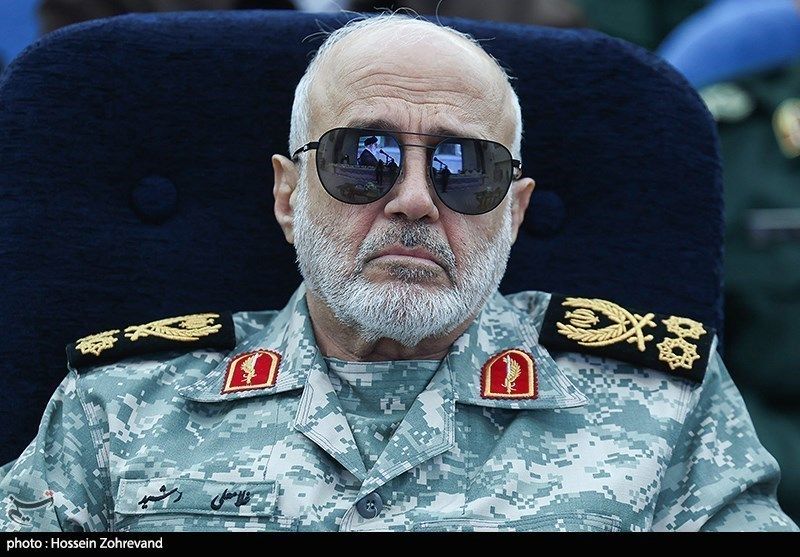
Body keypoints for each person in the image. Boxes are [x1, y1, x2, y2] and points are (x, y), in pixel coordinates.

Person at [0, 13, 797, 532]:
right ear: (287, 195)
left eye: (465, 169)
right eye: (363, 158)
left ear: (514, 213)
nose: (414, 200)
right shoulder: (119, 403)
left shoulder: (665, 406)